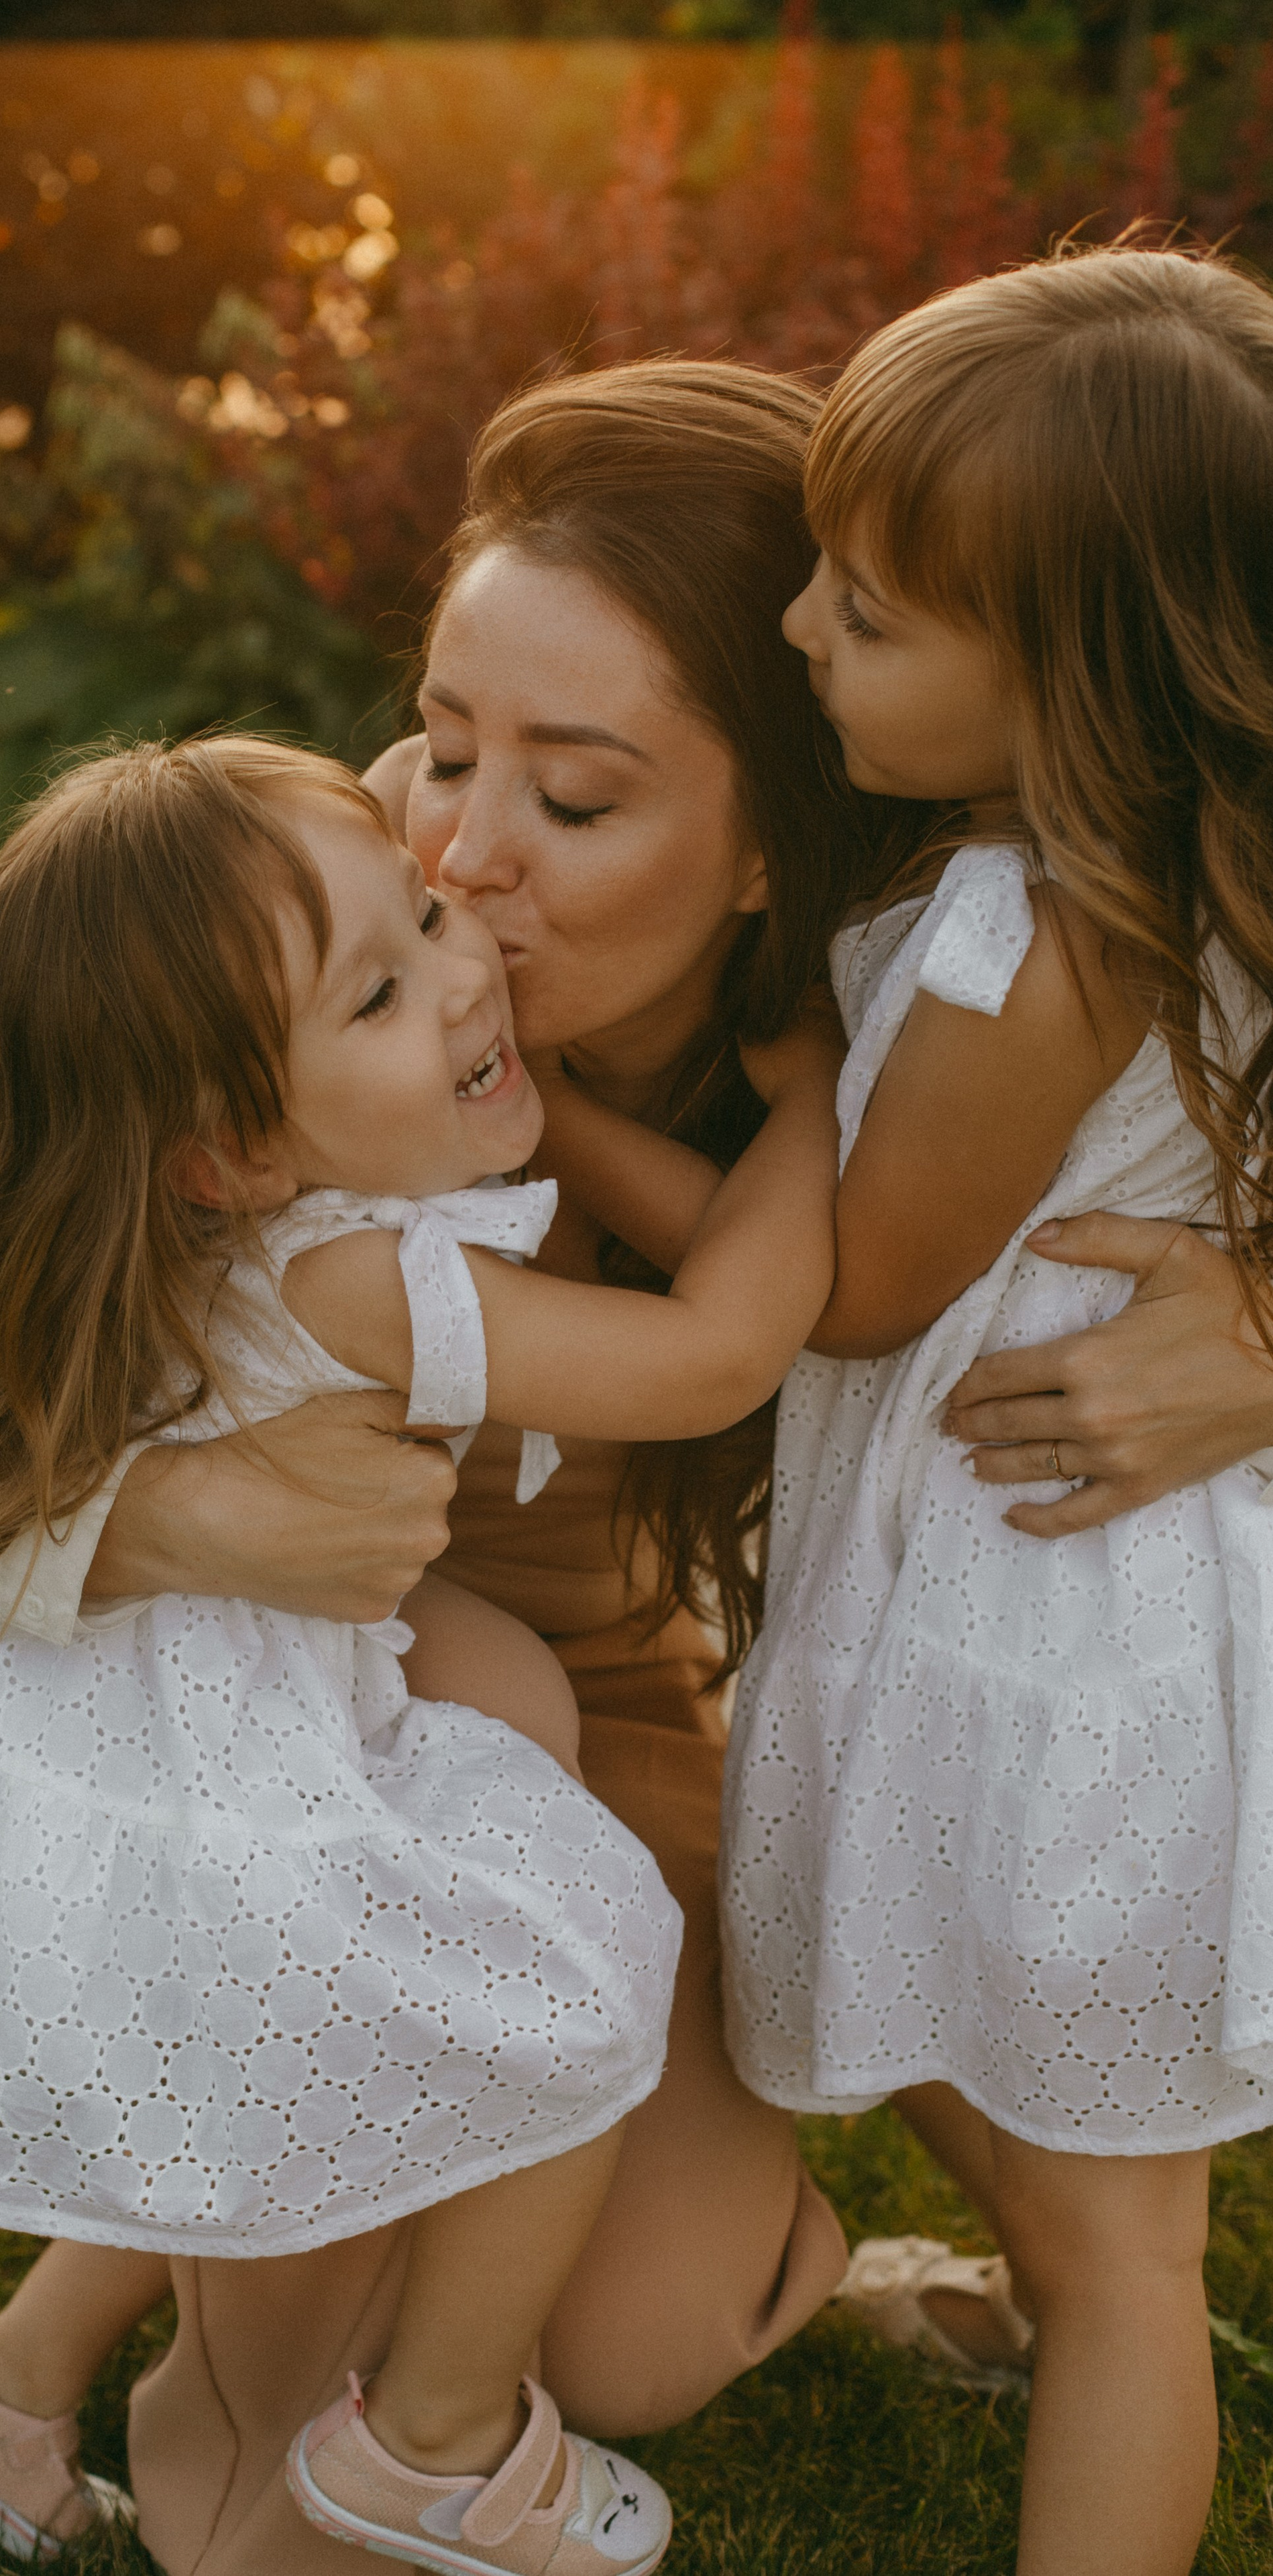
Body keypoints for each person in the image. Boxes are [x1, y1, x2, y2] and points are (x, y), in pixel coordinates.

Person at [0, 360, 867, 2574]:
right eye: (443, 744)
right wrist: (171, 1516)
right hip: (304, 1711)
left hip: (606, 1701)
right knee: (251, 2468)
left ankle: (754, 2254)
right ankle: (144, 2366)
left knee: (628, 2336)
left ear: (771, 844)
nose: (460, 849)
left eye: (570, 795)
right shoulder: (337, 938)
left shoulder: (853, 1035)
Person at [546, 246, 1272, 2576]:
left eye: (862, 614)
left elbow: (847, 1292)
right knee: (946, 2023)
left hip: (1024, 1625)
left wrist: (570, 1110)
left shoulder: (1022, 943)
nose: (794, 638)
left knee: (1122, 2271)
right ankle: (1003, 2285)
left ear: (1065, 676)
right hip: (1081, 1604)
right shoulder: (1180, 881)